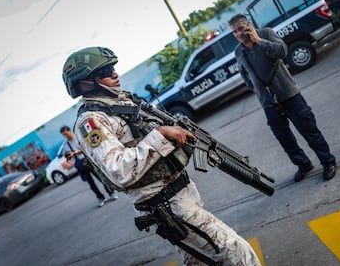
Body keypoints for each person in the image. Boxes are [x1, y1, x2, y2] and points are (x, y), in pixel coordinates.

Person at [61, 46, 261, 265]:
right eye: (106, 72)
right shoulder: (91, 122)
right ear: (85, 83)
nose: (115, 74)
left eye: (113, 68)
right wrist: (160, 135)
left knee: (201, 261)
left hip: (181, 194)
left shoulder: (122, 102)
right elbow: (119, 170)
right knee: (237, 252)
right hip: (167, 204)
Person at [229, 14, 336, 183]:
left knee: (309, 131)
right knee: (284, 139)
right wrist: (255, 88)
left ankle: (328, 161)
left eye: (241, 29)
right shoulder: (238, 51)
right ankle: (303, 165)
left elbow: (282, 51)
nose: (238, 34)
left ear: (249, 25)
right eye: (234, 32)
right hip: (269, 102)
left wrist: (258, 40)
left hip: (289, 94)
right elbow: (244, 74)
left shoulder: (266, 33)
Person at [60, 125, 118, 207]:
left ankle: (111, 193)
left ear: (69, 131)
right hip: (81, 165)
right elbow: (68, 154)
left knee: (101, 178)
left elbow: (86, 147)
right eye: (63, 135)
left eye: (66, 133)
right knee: (91, 184)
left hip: (89, 161)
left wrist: (75, 152)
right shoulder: (66, 144)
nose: (65, 136)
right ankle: (100, 198)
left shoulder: (78, 137)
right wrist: (69, 158)